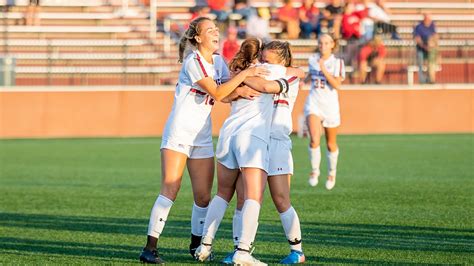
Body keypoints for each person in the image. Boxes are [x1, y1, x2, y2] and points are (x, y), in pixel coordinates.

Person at [138, 17, 268, 264]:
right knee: (171, 189)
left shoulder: (218, 61)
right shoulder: (193, 61)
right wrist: (246, 76)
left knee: (203, 196)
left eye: (216, 29)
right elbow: (218, 92)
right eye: (210, 30)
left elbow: (225, 95)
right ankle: (150, 247)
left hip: (202, 135)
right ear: (197, 38)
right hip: (180, 132)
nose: (215, 33)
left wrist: (239, 90)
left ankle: (196, 245)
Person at [194, 38, 298, 265]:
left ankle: (205, 245)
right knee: (253, 196)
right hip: (252, 138)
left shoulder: (238, 71)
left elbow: (223, 95)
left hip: (227, 136)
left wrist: (240, 81)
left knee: (223, 193)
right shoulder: (268, 70)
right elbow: (287, 75)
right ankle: (243, 252)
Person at [220, 41, 306, 264]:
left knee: (280, 198)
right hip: (255, 139)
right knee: (244, 198)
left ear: (283, 60)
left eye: (268, 60)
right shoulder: (262, 73)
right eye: (262, 59)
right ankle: (240, 249)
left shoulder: (290, 75)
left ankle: (297, 251)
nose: (263, 64)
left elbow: (270, 86)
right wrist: (240, 76)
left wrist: (238, 74)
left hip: (277, 142)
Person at [305, 34, 345, 190]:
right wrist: (304, 81)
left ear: (332, 45)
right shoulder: (312, 59)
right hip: (313, 103)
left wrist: (323, 68)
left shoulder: (337, 62)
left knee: (330, 143)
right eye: (320, 43)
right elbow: (310, 75)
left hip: (330, 106)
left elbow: (337, 85)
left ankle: (331, 172)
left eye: (326, 43)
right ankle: (314, 171)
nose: (323, 45)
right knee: (314, 138)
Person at [414, 13, 437, 84]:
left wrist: (433, 44)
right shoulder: (419, 27)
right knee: (420, 63)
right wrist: (424, 46)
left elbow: (435, 35)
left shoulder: (432, 25)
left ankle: (430, 79)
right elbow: (417, 38)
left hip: (430, 49)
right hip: (421, 48)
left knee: (430, 64)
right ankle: (422, 80)